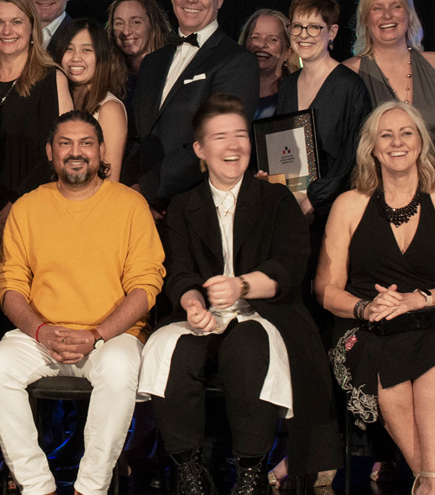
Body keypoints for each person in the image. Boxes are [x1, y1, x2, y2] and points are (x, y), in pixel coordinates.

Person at [137, 94, 341, 495]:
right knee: (171, 350)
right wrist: (193, 304)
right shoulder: (183, 206)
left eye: (240, 136)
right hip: (205, 316)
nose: (233, 146)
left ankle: (250, 470)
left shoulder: (277, 199)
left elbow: (288, 270)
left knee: (248, 345)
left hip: (267, 312)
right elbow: (179, 274)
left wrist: (241, 286)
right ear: (200, 149)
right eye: (220, 137)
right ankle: (189, 470)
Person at [0, 110, 161, 495]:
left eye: (85, 143)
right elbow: (8, 283)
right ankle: (36, 485)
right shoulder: (28, 207)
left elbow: (145, 286)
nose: (75, 152)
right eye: (65, 143)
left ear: (101, 151)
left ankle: (90, 488)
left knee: (119, 367)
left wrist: (96, 334)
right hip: (42, 333)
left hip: (110, 335)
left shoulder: (130, 206)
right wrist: (41, 330)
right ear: (50, 152)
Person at [317, 101, 435, 495]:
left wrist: (416, 299)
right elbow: (325, 288)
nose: (396, 142)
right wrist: (365, 307)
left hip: (430, 319)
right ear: (371, 147)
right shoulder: (348, 205)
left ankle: (430, 486)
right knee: (385, 363)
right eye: (385, 135)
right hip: (365, 325)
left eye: (406, 133)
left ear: (422, 142)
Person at [126, 0, 258, 214]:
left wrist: (148, 190)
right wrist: (127, 190)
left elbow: (217, 141)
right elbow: (137, 135)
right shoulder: (153, 61)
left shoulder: (237, 62)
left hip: (195, 209)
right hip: (137, 208)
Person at [0, 0, 75, 249]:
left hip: (29, 218)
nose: (7, 31)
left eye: (16, 22)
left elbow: (60, 157)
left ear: (31, 28)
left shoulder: (51, 80)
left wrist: (9, 215)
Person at [343, 0, 435, 178]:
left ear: (408, 13)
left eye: (396, 6)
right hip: (379, 193)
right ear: (365, 18)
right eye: (377, 8)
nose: (387, 15)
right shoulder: (349, 73)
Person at [276, 0, 371, 227]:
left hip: (335, 214)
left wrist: (312, 201)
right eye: (297, 26)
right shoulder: (287, 85)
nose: (303, 35)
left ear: (333, 32)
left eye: (314, 27)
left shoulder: (350, 87)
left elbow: (353, 158)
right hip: (290, 210)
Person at [54, 19, 128, 182]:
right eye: (69, 49)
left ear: (101, 56)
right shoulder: (56, 97)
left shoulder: (109, 108)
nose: (76, 58)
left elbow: (110, 180)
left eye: (86, 50)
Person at [107, 0, 173, 94]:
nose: (126, 31)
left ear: (153, 24)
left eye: (136, 22)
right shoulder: (106, 76)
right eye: (119, 23)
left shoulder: (173, 68)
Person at [242, 9, 290, 118]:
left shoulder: (295, 96)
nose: (262, 44)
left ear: (287, 51)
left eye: (272, 39)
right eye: (255, 37)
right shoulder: (229, 91)